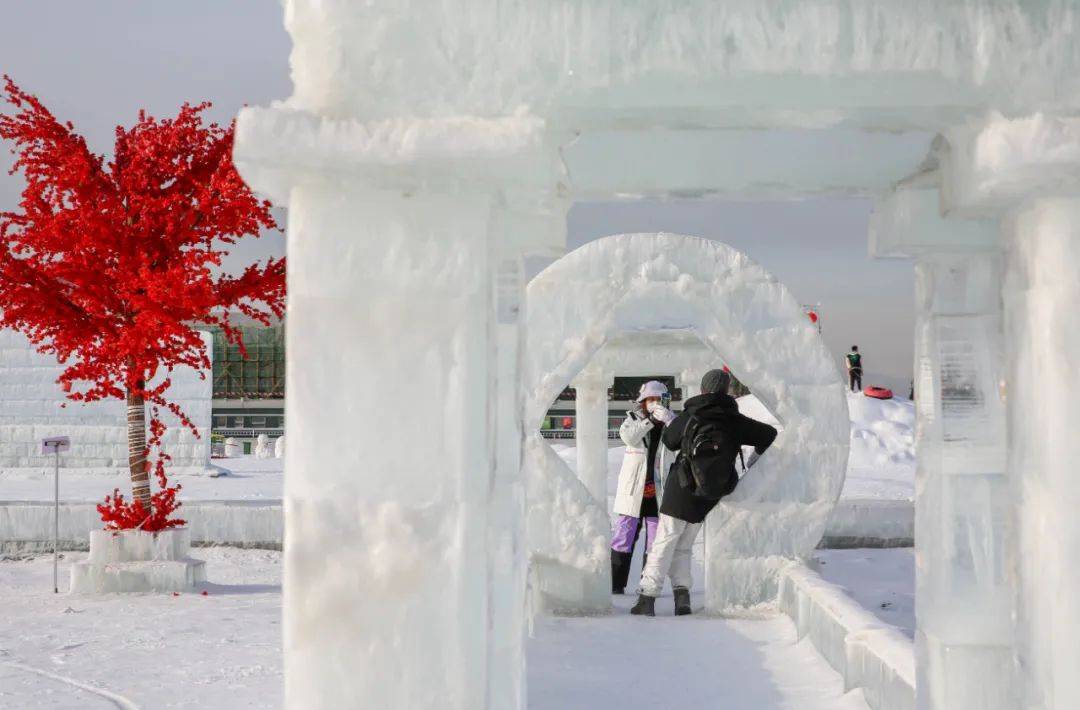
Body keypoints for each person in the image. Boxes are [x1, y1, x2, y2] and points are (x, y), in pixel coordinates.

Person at [630, 369, 777, 616]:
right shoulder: (734, 420)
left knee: (664, 542)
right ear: (726, 390)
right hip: (711, 493)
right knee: (684, 545)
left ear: (702, 389)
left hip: (682, 486)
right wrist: (754, 461)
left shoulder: (691, 414)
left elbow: (669, 441)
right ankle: (682, 598)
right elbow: (769, 435)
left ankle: (647, 597)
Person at [610, 380, 675, 594]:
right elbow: (629, 437)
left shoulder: (671, 423)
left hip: (659, 493)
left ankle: (647, 587)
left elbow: (681, 441)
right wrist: (648, 421)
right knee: (623, 538)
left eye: (658, 399)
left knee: (655, 544)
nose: (655, 403)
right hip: (633, 492)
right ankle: (615, 585)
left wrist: (668, 420)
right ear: (643, 401)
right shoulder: (632, 420)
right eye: (651, 400)